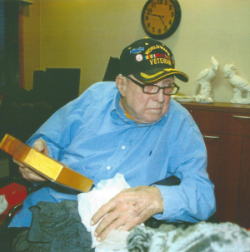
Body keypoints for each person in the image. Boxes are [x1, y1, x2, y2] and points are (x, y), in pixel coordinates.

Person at [10, 38, 216, 243]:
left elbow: (204, 196)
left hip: (109, 235)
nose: (161, 98)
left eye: (167, 86)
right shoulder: (94, 98)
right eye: (150, 86)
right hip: (43, 214)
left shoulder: (179, 123)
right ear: (122, 85)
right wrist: (39, 158)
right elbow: (44, 143)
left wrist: (156, 198)